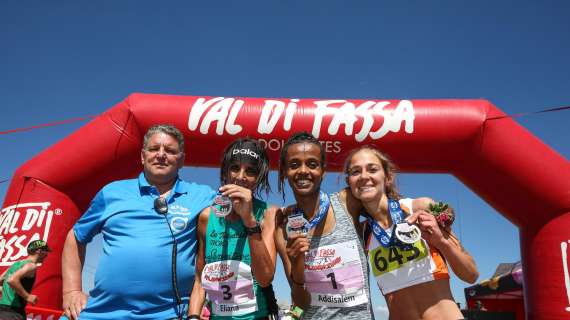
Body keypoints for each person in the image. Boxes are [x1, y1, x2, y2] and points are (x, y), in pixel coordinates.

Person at [60, 124, 215, 320]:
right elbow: (76, 236)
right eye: (153, 149)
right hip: (101, 312)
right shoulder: (112, 192)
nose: (161, 155)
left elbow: (238, 213)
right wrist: (71, 291)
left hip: (171, 314)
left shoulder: (202, 195)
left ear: (182, 160)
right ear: (143, 156)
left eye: (170, 150)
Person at [341, 145, 479, 320]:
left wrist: (441, 241)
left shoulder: (418, 208)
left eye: (372, 169)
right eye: (355, 172)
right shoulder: (362, 233)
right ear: (349, 183)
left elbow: (471, 274)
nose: (364, 176)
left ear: (387, 177)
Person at [274, 132, 374, 320]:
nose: (303, 171)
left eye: (312, 164)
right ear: (284, 171)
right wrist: (297, 264)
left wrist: (432, 209)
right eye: (294, 165)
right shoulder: (284, 227)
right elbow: (301, 303)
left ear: (323, 170)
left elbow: (390, 206)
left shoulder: (347, 203)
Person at [189, 138, 279, 319]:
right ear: (226, 172)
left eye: (250, 171)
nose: (240, 177)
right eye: (235, 168)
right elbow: (200, 280)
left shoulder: (269, 214)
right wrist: (192, 316)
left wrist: (249, 220)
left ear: (259, 178)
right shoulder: (207, 217)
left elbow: (264, 278)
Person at [0, 240, 51, 320]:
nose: (47, 255)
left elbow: (1, 279)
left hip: (2, 310)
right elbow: (12, 280)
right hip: (14, 313)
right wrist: (27, 296)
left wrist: (5, 291)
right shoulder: (31, 266)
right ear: (39, 251)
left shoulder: (15, 264)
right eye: (46, 252)